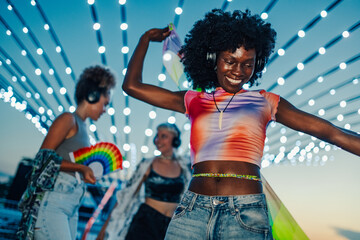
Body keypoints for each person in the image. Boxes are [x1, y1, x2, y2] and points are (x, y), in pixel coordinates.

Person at [121, 8, 360, 240]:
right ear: (214, 59)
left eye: (248, 63)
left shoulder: (265, 101)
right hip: (191, 212)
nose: (239, 70)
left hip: (245, 214)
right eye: (230, 61)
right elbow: (132, 86)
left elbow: (331, 132)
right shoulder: (193, 99)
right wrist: (144, 40)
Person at [16, 65, 116, 240]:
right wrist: (81, 168)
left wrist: (84, 172)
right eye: (105, 103)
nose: (105, 110)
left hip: (71, 205)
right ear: (92, 95)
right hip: (53, 203)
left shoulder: (84, 129)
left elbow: (66, 164)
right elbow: (42, 158)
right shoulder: (68, 119)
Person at [97, 123, 191, 240]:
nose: (157, 140)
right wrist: (104, 229)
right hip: (146, 223)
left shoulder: (185, 168)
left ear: (175, 140)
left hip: (172, 226)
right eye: (157, 136)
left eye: (163, 136)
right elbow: (125, 196)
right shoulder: (147, 165)